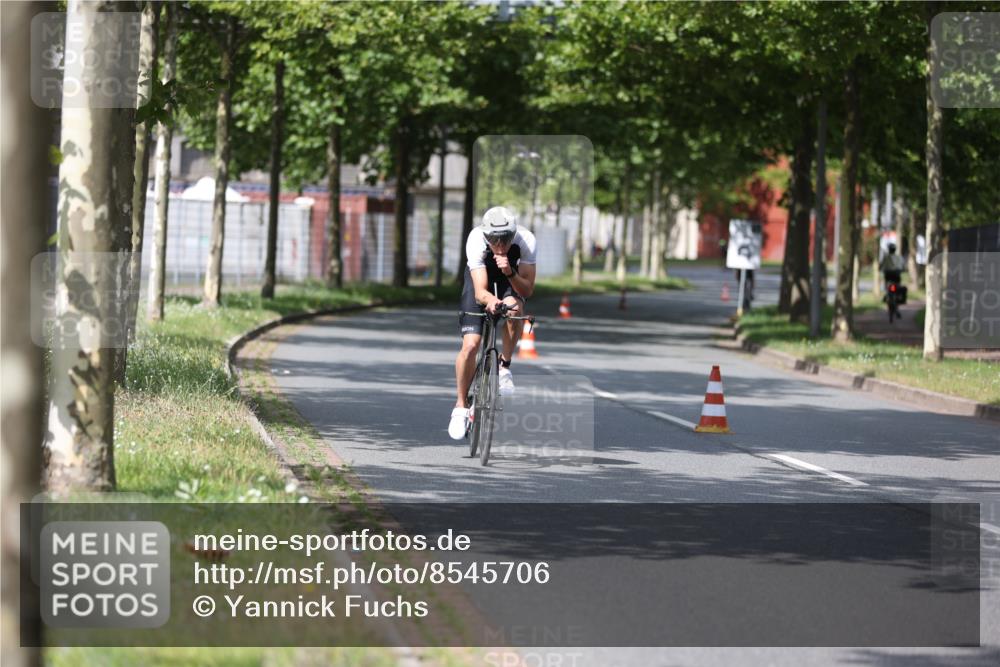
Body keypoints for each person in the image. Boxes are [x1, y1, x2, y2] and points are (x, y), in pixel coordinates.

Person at [448, 206, 537, 440]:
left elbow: (527, 289)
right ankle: (460, 406)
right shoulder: (476, 239)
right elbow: (480, 291)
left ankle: (504, 366)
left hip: (510, 281)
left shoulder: (526, 240)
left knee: (515, 309)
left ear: (513, 234)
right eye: (494, 239)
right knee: (471, 345)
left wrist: (509, 272)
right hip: (480, 283)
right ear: (486, 235)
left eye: (505, 239)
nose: (499, 245)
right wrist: (491, 301)